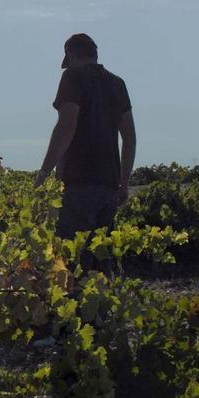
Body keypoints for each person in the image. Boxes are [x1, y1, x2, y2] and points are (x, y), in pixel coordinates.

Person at [34, 33, 136, 248]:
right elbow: (130, 137)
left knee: (72, 260)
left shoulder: (73, 77)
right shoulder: (118, 84)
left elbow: (66, 125)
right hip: (108, 185)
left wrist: (44, 173)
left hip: (77, 183)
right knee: (101, 260)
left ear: (70, 55)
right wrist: (124, 183)